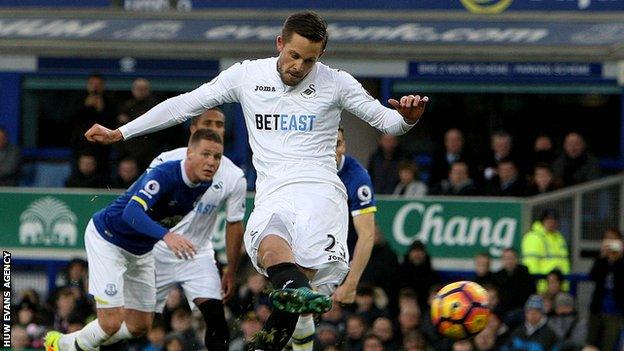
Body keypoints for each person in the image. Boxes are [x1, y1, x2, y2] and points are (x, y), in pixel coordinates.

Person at [83, 11, 429, 351]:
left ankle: (289, 316)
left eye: (309, 60)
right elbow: (185, 105)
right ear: (280, 43)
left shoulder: (336, 82)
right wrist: (121, 132)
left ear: (320, 57)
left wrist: (408, 119)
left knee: (294, 287)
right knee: (269, 249)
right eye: (294, 55)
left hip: (321, 194)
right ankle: (294, 304)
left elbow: (387, 121)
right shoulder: (247, 75)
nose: (299, 66)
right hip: (273, 192)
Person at [45, 129, 223, 351]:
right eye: (205, 154)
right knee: (110, 323)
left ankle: (68, 343)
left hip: (141, 250)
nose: (212, 162)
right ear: (189, 153)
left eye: (217, 156)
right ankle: (63, 345)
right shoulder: (165, 175)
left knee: (139, 326)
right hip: (108, 239)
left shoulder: (205, 184)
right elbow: (131, 213)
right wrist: (167, 237)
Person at [149, 108, 246, 351]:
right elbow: (141, 210)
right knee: (136, 325)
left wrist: (231, 270)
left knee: (216, 320)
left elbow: (235, 224)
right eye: (207, 123)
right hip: (156, 250)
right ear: (193, 130)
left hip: (197, 254)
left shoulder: (234, 176)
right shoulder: (165, 161)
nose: (214, 128)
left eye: (219, 124)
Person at [586, 228, 624, 351]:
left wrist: (618, 259)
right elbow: (593, 276)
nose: (610, 242)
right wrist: (603, 257)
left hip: (615, 311)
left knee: (609, 345)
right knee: (591, 344)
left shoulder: (622, 261)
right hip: (597, 309)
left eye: (614, 239)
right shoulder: (602, 260)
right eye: (607, 239)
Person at [522, 209, 570, 294]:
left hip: (560, 288)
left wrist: (565, 286)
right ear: (542, 221)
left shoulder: (559, 238)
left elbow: (564, 263)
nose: (552, 223)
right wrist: (537, 287)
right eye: (549, 220)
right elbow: (531, 264)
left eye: (554, 220)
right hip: (542, 289)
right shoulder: (533, 237)